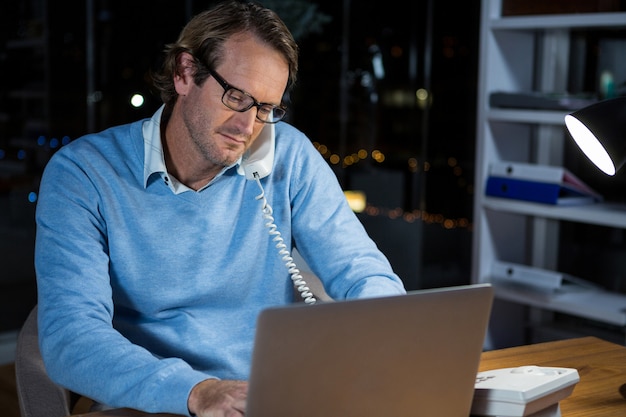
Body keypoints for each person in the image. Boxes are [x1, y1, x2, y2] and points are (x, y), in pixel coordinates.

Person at [34, 1, 406, 416]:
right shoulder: (83, 173)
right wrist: (200, 392)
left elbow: (363, 271)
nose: (247, 128)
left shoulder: (289, 157)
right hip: (152, 401)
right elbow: (71, 338)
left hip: (267, 397)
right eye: (236, 97)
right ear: (184, 73)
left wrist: (384, 335)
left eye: (266, 109)